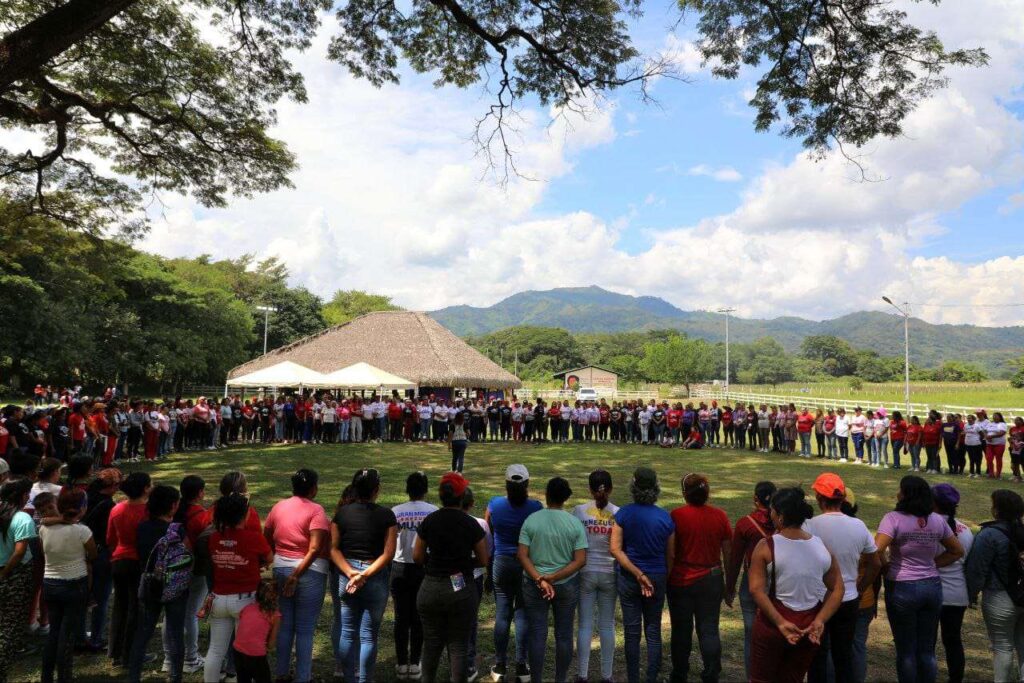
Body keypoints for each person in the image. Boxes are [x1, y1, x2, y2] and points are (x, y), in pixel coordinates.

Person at [747, 487, 844, 683]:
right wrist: (820, 620)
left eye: (772, 510)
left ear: (780, 516)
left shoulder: (766, 546)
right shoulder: (821, 547)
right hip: (808, 628)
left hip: (772, 625)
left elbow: (756, 589)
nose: (770, 514)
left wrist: (780, 622)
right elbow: (838, 589)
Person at [875, 475, 964, 683]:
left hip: (902, 586)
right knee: (926, 650)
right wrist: (933, 564)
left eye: (900, 490)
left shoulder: (893, 518)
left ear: (907, 494)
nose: (897, 493)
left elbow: (875, 549)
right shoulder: (936, 520)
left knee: (906, 650)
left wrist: (886, 566)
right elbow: (957, 550)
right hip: (932, 586)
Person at [804, 474, 880, 683]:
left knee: (816, 657)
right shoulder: (859, 525)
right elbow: (876, 564)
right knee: (843, 656)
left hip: (818, 600)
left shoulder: (810, 526)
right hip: (848, 599)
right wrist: (861, 587)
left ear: (819, 498)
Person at [414, 472, 488, 683]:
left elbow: (417, 556)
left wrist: (433, 561)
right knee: (458, 645)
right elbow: (483, 559)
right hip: (460, 584)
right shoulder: (470, 524)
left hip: (431, 585)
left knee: (431, 643)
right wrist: (464, 564)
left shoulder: (430, 520)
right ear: (462, 496)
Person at [517, 476, 587, 683]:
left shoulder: (532, 520)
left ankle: (536, 679)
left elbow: (522, 555)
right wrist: (555, 577)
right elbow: (580, 560)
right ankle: (561, 678)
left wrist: (540, 579)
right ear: (565, 498)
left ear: (547, 495)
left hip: (534, 584)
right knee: (564, 635)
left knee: (537, 633)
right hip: (566, 584)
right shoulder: (574, 523)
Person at [331, 468, 398, 683]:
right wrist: (364, 574)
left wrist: (351, 572)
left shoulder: (341, 514)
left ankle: (349, 678)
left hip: (347, 575)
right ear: (376, 490)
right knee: (368, 635)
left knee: (347, 631)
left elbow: (333, 549)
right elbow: (388, 554)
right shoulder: (387, 515)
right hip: (374, 575)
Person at [263, 469, 329, 683]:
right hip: (309, 572)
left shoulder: (279, 506)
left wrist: (281, 561)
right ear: (313, 488)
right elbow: (315, 548)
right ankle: (303, 677)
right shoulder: (316, 511)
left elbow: (267, 536)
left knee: (285, 624)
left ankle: (281, 673)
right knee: (305, 629)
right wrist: (296, 575)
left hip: (281, 568)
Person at [610, 467, 675, 683]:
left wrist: (638, 573)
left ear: (633, 486)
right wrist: (663, 577)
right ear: (656, 487)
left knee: (632, 632)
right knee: (653, 630)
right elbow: (671, 555)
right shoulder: (665, 517)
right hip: (656, 576)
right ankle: (651, 677)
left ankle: (633, 678)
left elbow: (615, 549)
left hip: (630, 577)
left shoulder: (624, 514)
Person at [667, 473, 731, 683]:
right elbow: (728, 553)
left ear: (684, 493)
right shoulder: (720, 516)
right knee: (709, 628)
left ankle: (679, 673)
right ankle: (711, 672)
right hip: (711, 579)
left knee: (681, 630)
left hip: (681, 580)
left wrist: (666, 577)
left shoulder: (676, 515)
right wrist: (729, 585)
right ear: (707, 492)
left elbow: (671, 552)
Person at [204, 493, 273, 683]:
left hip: (219, 599)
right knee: (246, 651)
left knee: (216, 650)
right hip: (246, 601)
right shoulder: (253, 538)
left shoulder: (214, 538)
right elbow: (269, 558)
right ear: (245, 514)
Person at [485, 464, 543, 683]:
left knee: (502, 613)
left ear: (506, 484)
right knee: (522, 614)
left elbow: (488, 534)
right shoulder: (535, 508)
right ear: (527, 483)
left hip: (501, 562)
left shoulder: (494, 504)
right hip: (526, 564)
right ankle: (522, 665)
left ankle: (500, 665)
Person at [128, 485, 188, 683]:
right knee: (175, 633)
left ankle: (133, 676)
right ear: (173, 506)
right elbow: (187, 553)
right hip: (174, 585)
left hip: (149, 583)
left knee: (143, 633)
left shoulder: (142, 527)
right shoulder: (177, 530)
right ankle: (175, 676)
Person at [966, 489, 1024, 683]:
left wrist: (971, 593)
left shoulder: (989, 534)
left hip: (1000, 597)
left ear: (997, 510)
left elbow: (977, 569)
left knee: (1002, 646)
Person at [37, 488, 94, 683]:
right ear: (81, 508)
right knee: (66, 635)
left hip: (51, 583)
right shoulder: (82, 531)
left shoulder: (44, 529)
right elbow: (93, 554)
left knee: (54, 631)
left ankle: (46, 676)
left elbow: (43, 550)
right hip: (74, 584)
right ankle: (64, 676)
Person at [724, 481, 775, 679]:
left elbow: (735, 559)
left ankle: (752, 677)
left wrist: (730, 588)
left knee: (751, 635)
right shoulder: (782, 523)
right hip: (777, 581)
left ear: (755, 499)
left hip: (751, 581)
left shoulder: (746, 524)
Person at [573, 470, 619, 683]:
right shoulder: (618, 513)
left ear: (590, 489)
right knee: (607, 625)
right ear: (611, 489)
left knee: (584, 625)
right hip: (610, 573)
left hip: (585, 572)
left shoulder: (579, 511)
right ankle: (607, 675)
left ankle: (582, 675)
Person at [390, 472, 437, 681]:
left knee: (401, 617)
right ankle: (415, 662)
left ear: (407, 489)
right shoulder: (433, 512)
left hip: (399, 567)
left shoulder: (396, 512)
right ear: (425, 489)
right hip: (423, 567)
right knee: (419, 617)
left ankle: (402, 663)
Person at [107, 471, 152, 668]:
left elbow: (110, 538)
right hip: (138, 562)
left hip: (119, 559)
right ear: (145, 488)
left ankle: (115, 651)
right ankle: (131, 653)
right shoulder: (147, 511)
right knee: (136, 608)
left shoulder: (117, 509)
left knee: (120, 606)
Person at [931, 484, 972, 683]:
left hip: (931, 591)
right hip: (957, 593)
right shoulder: (965, 530)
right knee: (953, 640)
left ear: (933, 502)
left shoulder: (927, 525)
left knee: (927, 642)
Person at [0, 479, 36, 681]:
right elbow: (20, 551)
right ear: (23, 496)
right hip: (15, 575)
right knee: (11, 627)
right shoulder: (22, 518)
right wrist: (5, 574)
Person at [232, 579, 280, 683]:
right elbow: (271, 645)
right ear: (276, 596)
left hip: (237, 651)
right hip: (256, 655)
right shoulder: (275, 615)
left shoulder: (247, 608)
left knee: (243, 679)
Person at [985, 412, 1010, 479]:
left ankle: (998, 474)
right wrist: (987, 436)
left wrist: (991, 436)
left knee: (998, 459)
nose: (995, 417)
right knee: (989, 459)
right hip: (989, 444)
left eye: (996, 416)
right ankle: (991, 473)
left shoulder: (1002, 424)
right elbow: (985, 431)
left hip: (999, 444)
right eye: (994, 416)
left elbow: (1002, 433)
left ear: (1000, 417)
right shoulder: (990, 424)